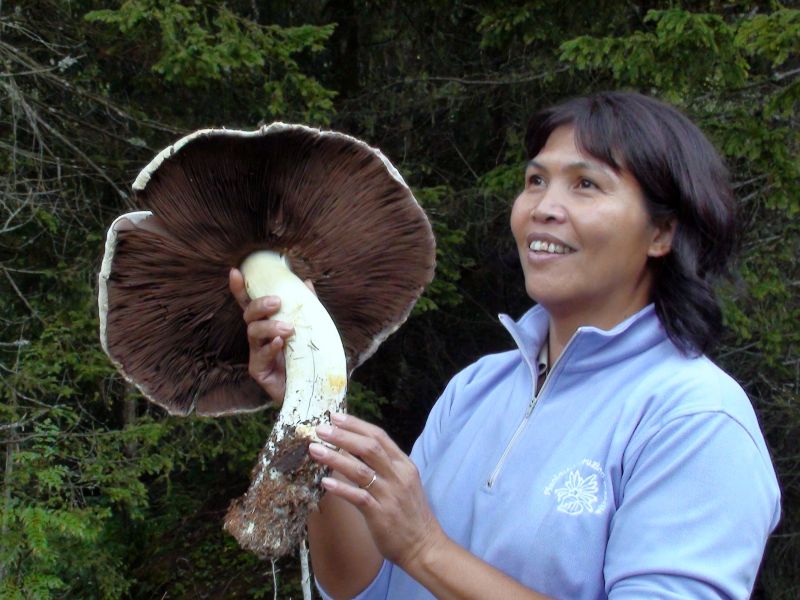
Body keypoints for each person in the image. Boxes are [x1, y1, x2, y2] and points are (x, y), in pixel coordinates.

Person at [230, 91, 781, 599]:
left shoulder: (696, 419)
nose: (543, 206)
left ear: (662, 233)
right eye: (536, 181)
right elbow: (368, 587)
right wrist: (312, 410)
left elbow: (419, 555)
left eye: (585, 184)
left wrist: (426, 547)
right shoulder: (476, 388)